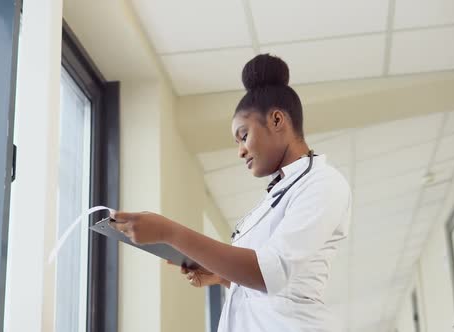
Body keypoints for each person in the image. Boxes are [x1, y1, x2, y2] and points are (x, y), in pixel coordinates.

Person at [109, 54, 352, 332]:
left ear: (276, 120)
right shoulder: (276, 195)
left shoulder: (323, 183)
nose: (240, 151)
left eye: (243, 135)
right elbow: (269, 289)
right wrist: (224, 277)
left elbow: (269, 273)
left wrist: (170, 232)